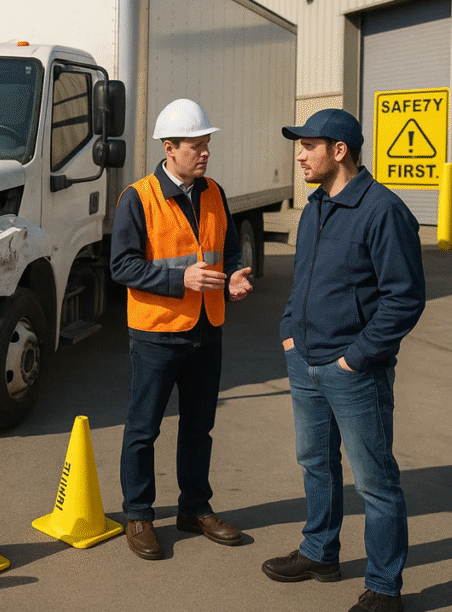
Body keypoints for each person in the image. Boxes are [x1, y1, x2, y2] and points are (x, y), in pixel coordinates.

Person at [262, 109, 425, 612]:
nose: (299, 154)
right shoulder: (314, 207)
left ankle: (384, 587)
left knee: (375, 481)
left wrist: (357, 358)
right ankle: (320, 551)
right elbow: (303, 281)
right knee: (315, 462)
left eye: (309, 145)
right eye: (299, 144)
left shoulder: (383, 211)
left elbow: (404, 297)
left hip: (354, 371)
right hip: (305, 360)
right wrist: (289, 332)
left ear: (339, 151)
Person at [110, 98, 253, 561]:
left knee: (199, 427)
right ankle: (138, 515)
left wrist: (233, 276)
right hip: (157, 333)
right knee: (143, 429)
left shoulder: (214, 192)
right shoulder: (138, 197)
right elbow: (122, 266)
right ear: (169, 148)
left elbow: (226, 251)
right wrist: (179, 279)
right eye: (196, 145)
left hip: (207, 329)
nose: (205, 152)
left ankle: (195, 508)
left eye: (207, 144)